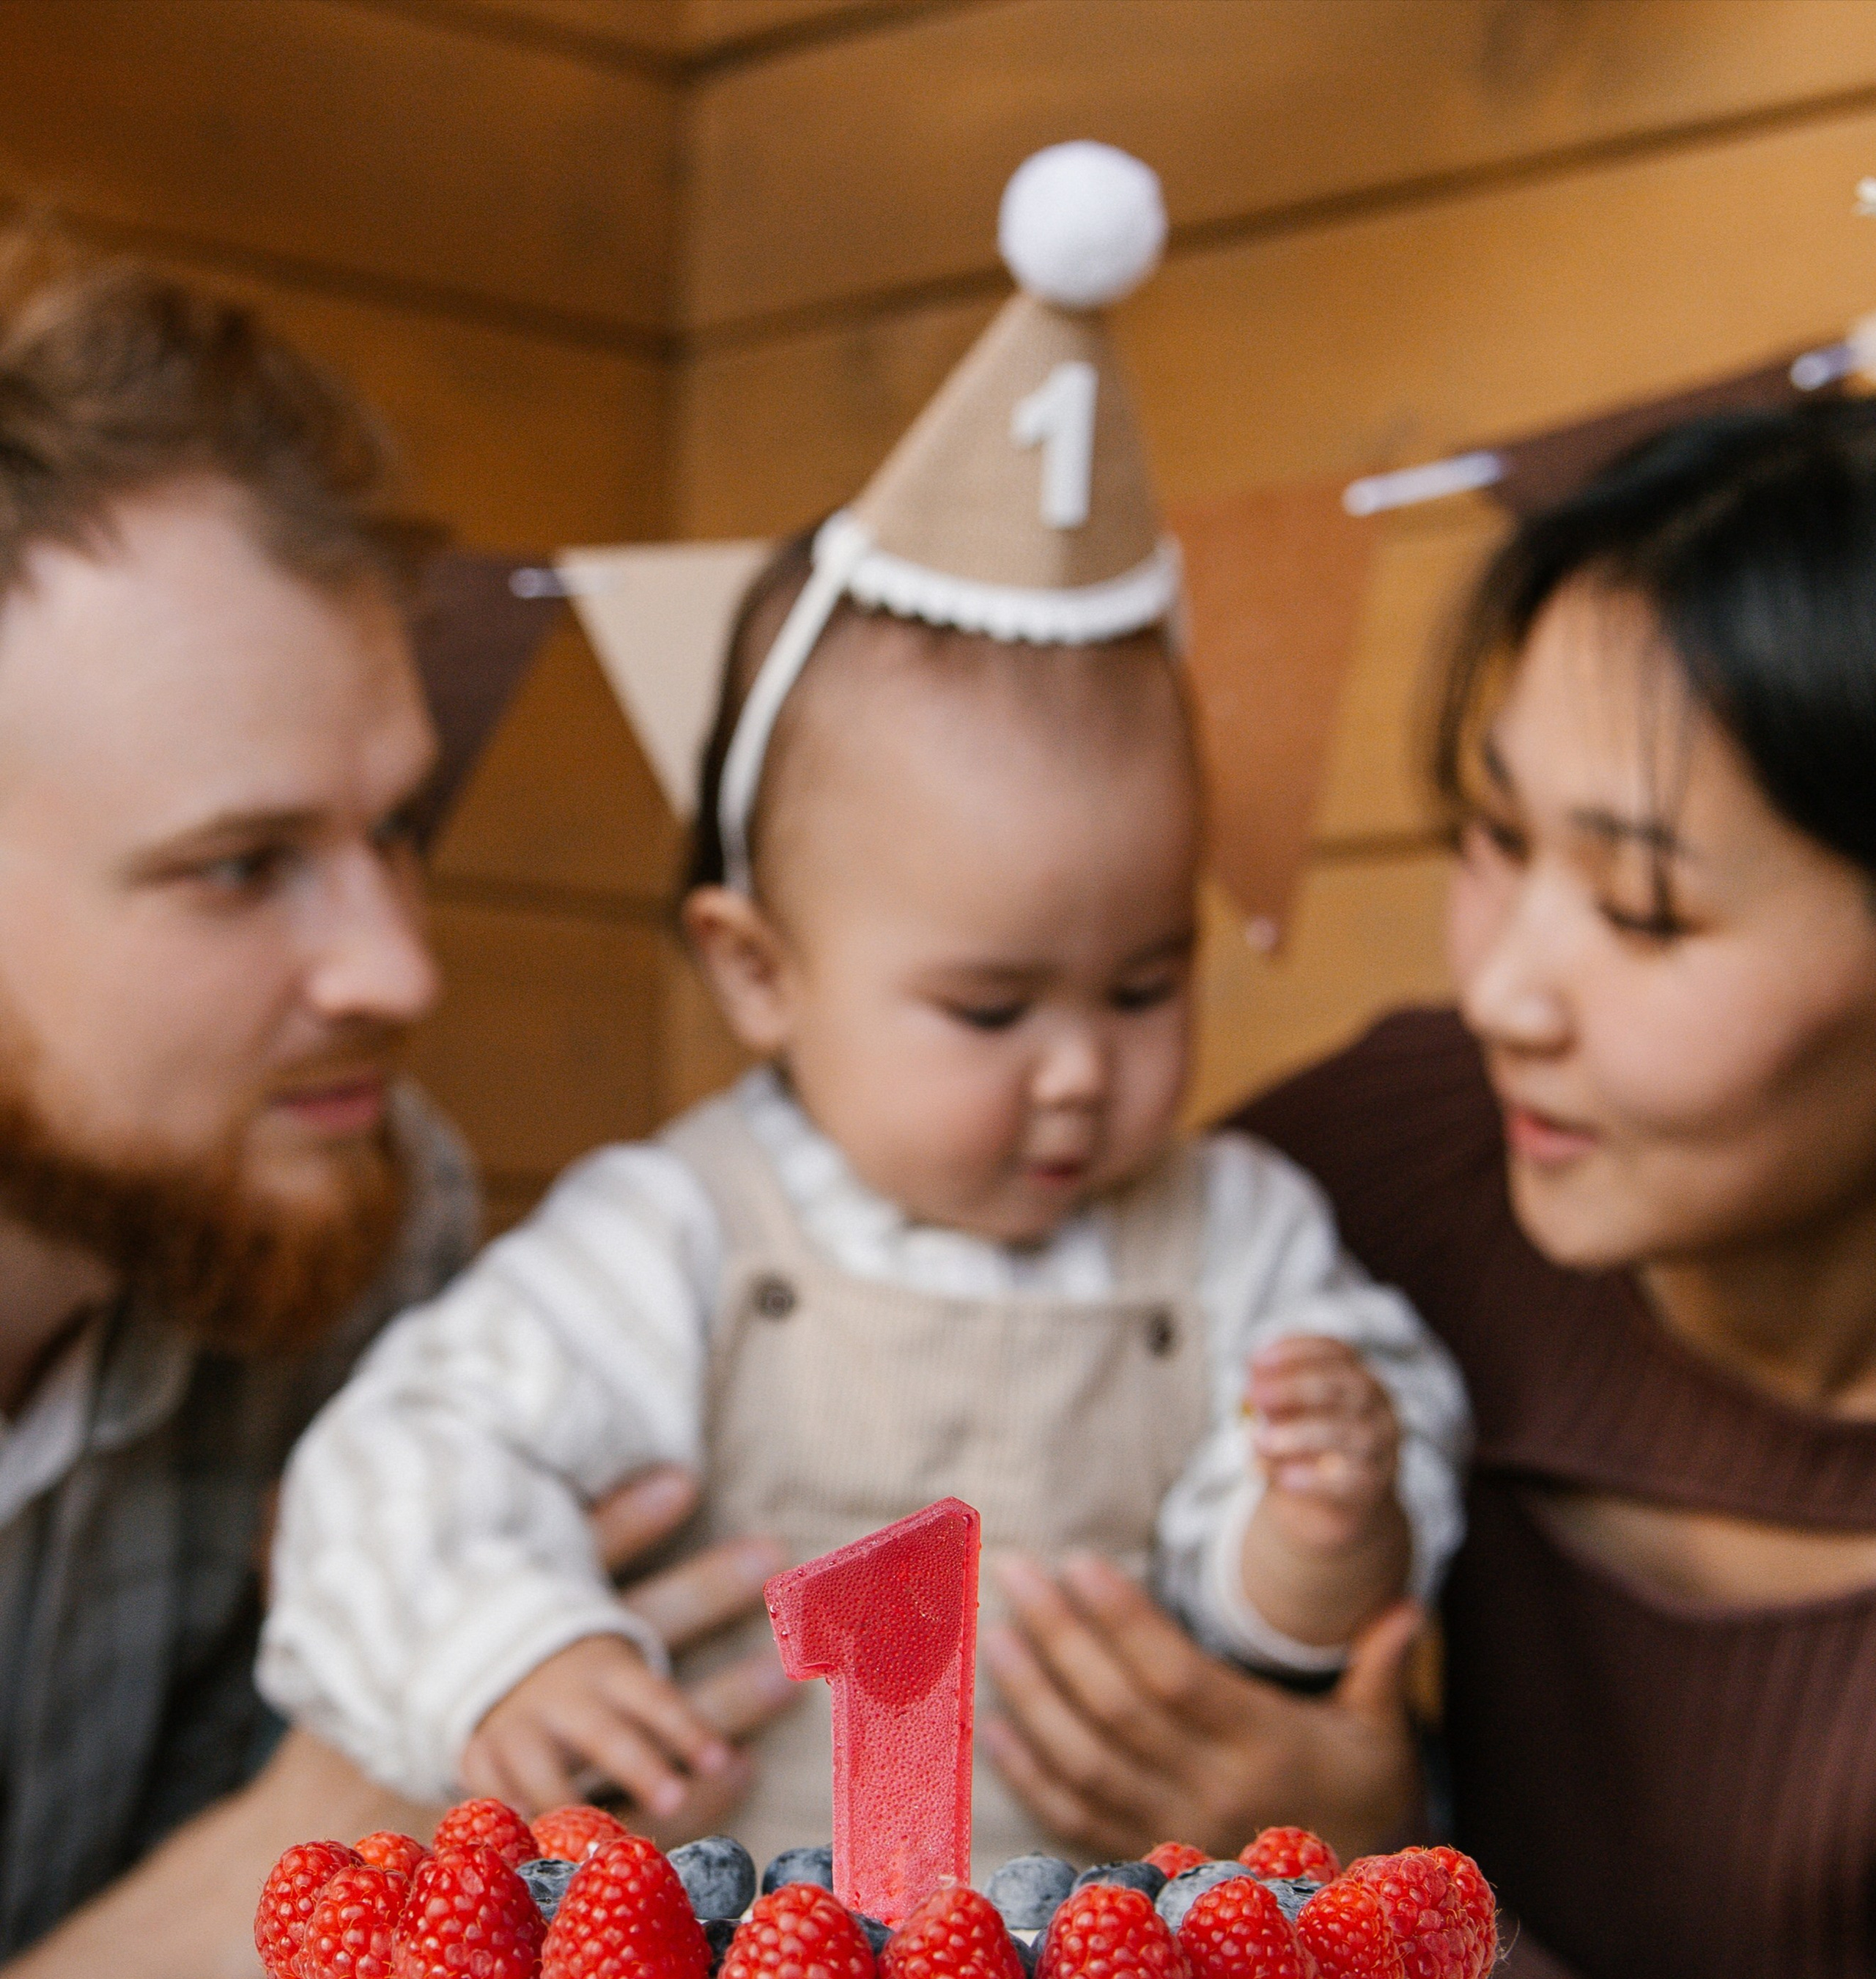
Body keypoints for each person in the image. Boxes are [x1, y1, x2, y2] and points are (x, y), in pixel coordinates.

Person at [259, 144, 1468, 1876]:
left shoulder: (1232, 1235)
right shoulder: (672, 1232)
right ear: (757, 970)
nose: (1078, 1075)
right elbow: (402, 1453)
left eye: (1145, 984)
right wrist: (515, 1645)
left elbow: (1302, 1581)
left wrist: (1318, 1523)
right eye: (987, 1009)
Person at [979, 399, 1876, 1979]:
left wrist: (1403, 1906)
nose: (1506, 988)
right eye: (1491, 839)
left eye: (1642, 911)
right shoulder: (1404, 1174)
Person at [0, 254, 789, 1979]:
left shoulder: (368, 1199)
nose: (393, 963)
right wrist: (315, 1823)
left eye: (395, 834)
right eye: (242, 865)